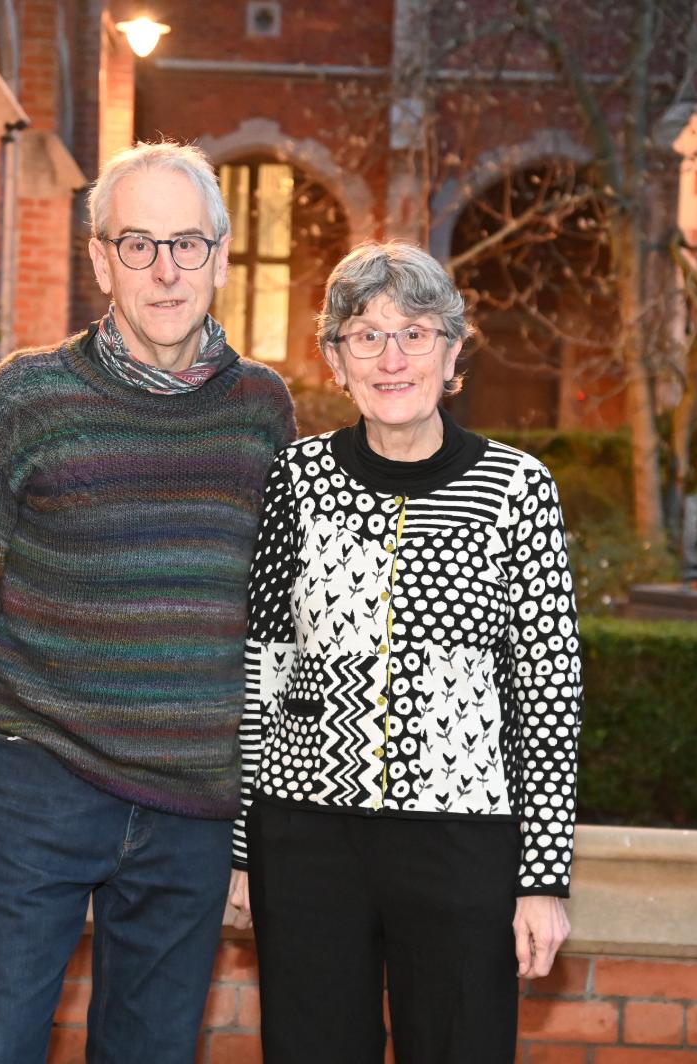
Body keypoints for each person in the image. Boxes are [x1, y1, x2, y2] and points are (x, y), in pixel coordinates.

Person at [0, 141, 295, 1063]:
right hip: (38, 788)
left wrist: (255, 828)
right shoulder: (26, 397)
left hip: (193, 809)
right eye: (138, 244)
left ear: (219, 255)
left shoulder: (262, 410)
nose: (165, 270)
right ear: (99, 259)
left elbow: (280, 628)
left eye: (187, 244)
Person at [227, 241, 581, 1063]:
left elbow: (548, 693)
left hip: (461, 845)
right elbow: (262, 670)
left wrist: (542, 878)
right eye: (366, 336)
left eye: (415, 334)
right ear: (335, 360)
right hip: (307, 840)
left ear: (452, 353)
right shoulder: (295, 480)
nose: (391, 359)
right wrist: (244, 849)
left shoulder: (516, 489)